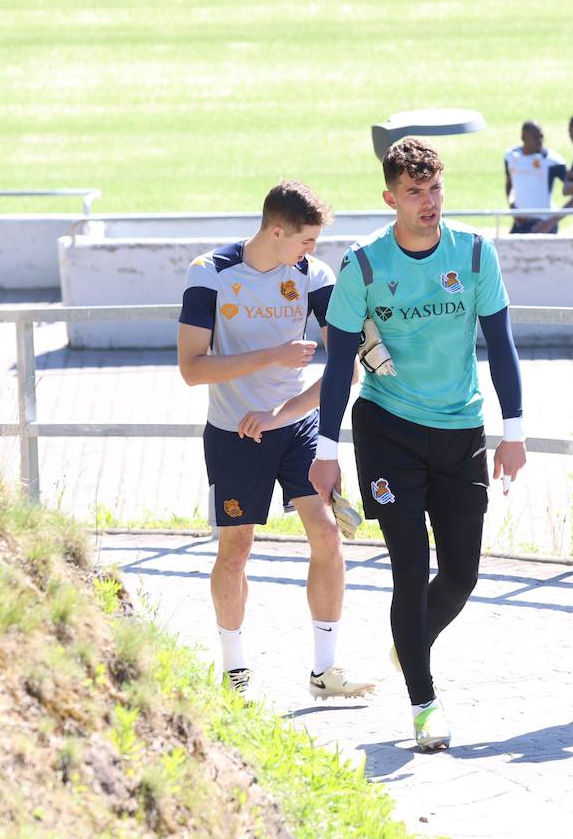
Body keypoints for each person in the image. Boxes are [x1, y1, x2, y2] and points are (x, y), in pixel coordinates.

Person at [310, 137, 527, 751]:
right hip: (388, 430)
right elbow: (338, 364)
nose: (428, 202)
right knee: (410, 568)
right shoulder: (364, 265)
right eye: (414, 192)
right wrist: (326, 451)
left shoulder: (475, 253)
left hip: (461, 430)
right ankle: (424, 704)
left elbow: (501, 344)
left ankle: (411, 644)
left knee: (461, 575)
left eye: (435, 189)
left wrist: (513, 432)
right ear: (391, 198)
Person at [177, 180, 374, 701]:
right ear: (278, 231)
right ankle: (235, 671)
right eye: (307, 239)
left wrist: (280, 414)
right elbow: (191, 369)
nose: (313, 250)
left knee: (328, 535)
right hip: (233, 433)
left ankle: (325, 671)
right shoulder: (210, 272)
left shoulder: (313, 275)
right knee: (236, 549)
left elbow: (348, 367)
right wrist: (272, 356)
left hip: (295, 426)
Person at [503, 120, 567, 233]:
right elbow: (509, 184)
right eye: (535, 137)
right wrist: (512, 206)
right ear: (523, 138)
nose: (540, 141)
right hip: (521, 221)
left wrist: (552, 220)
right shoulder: (511, 156)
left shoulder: (552, 161)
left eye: (541, 136)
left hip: (543, 223)